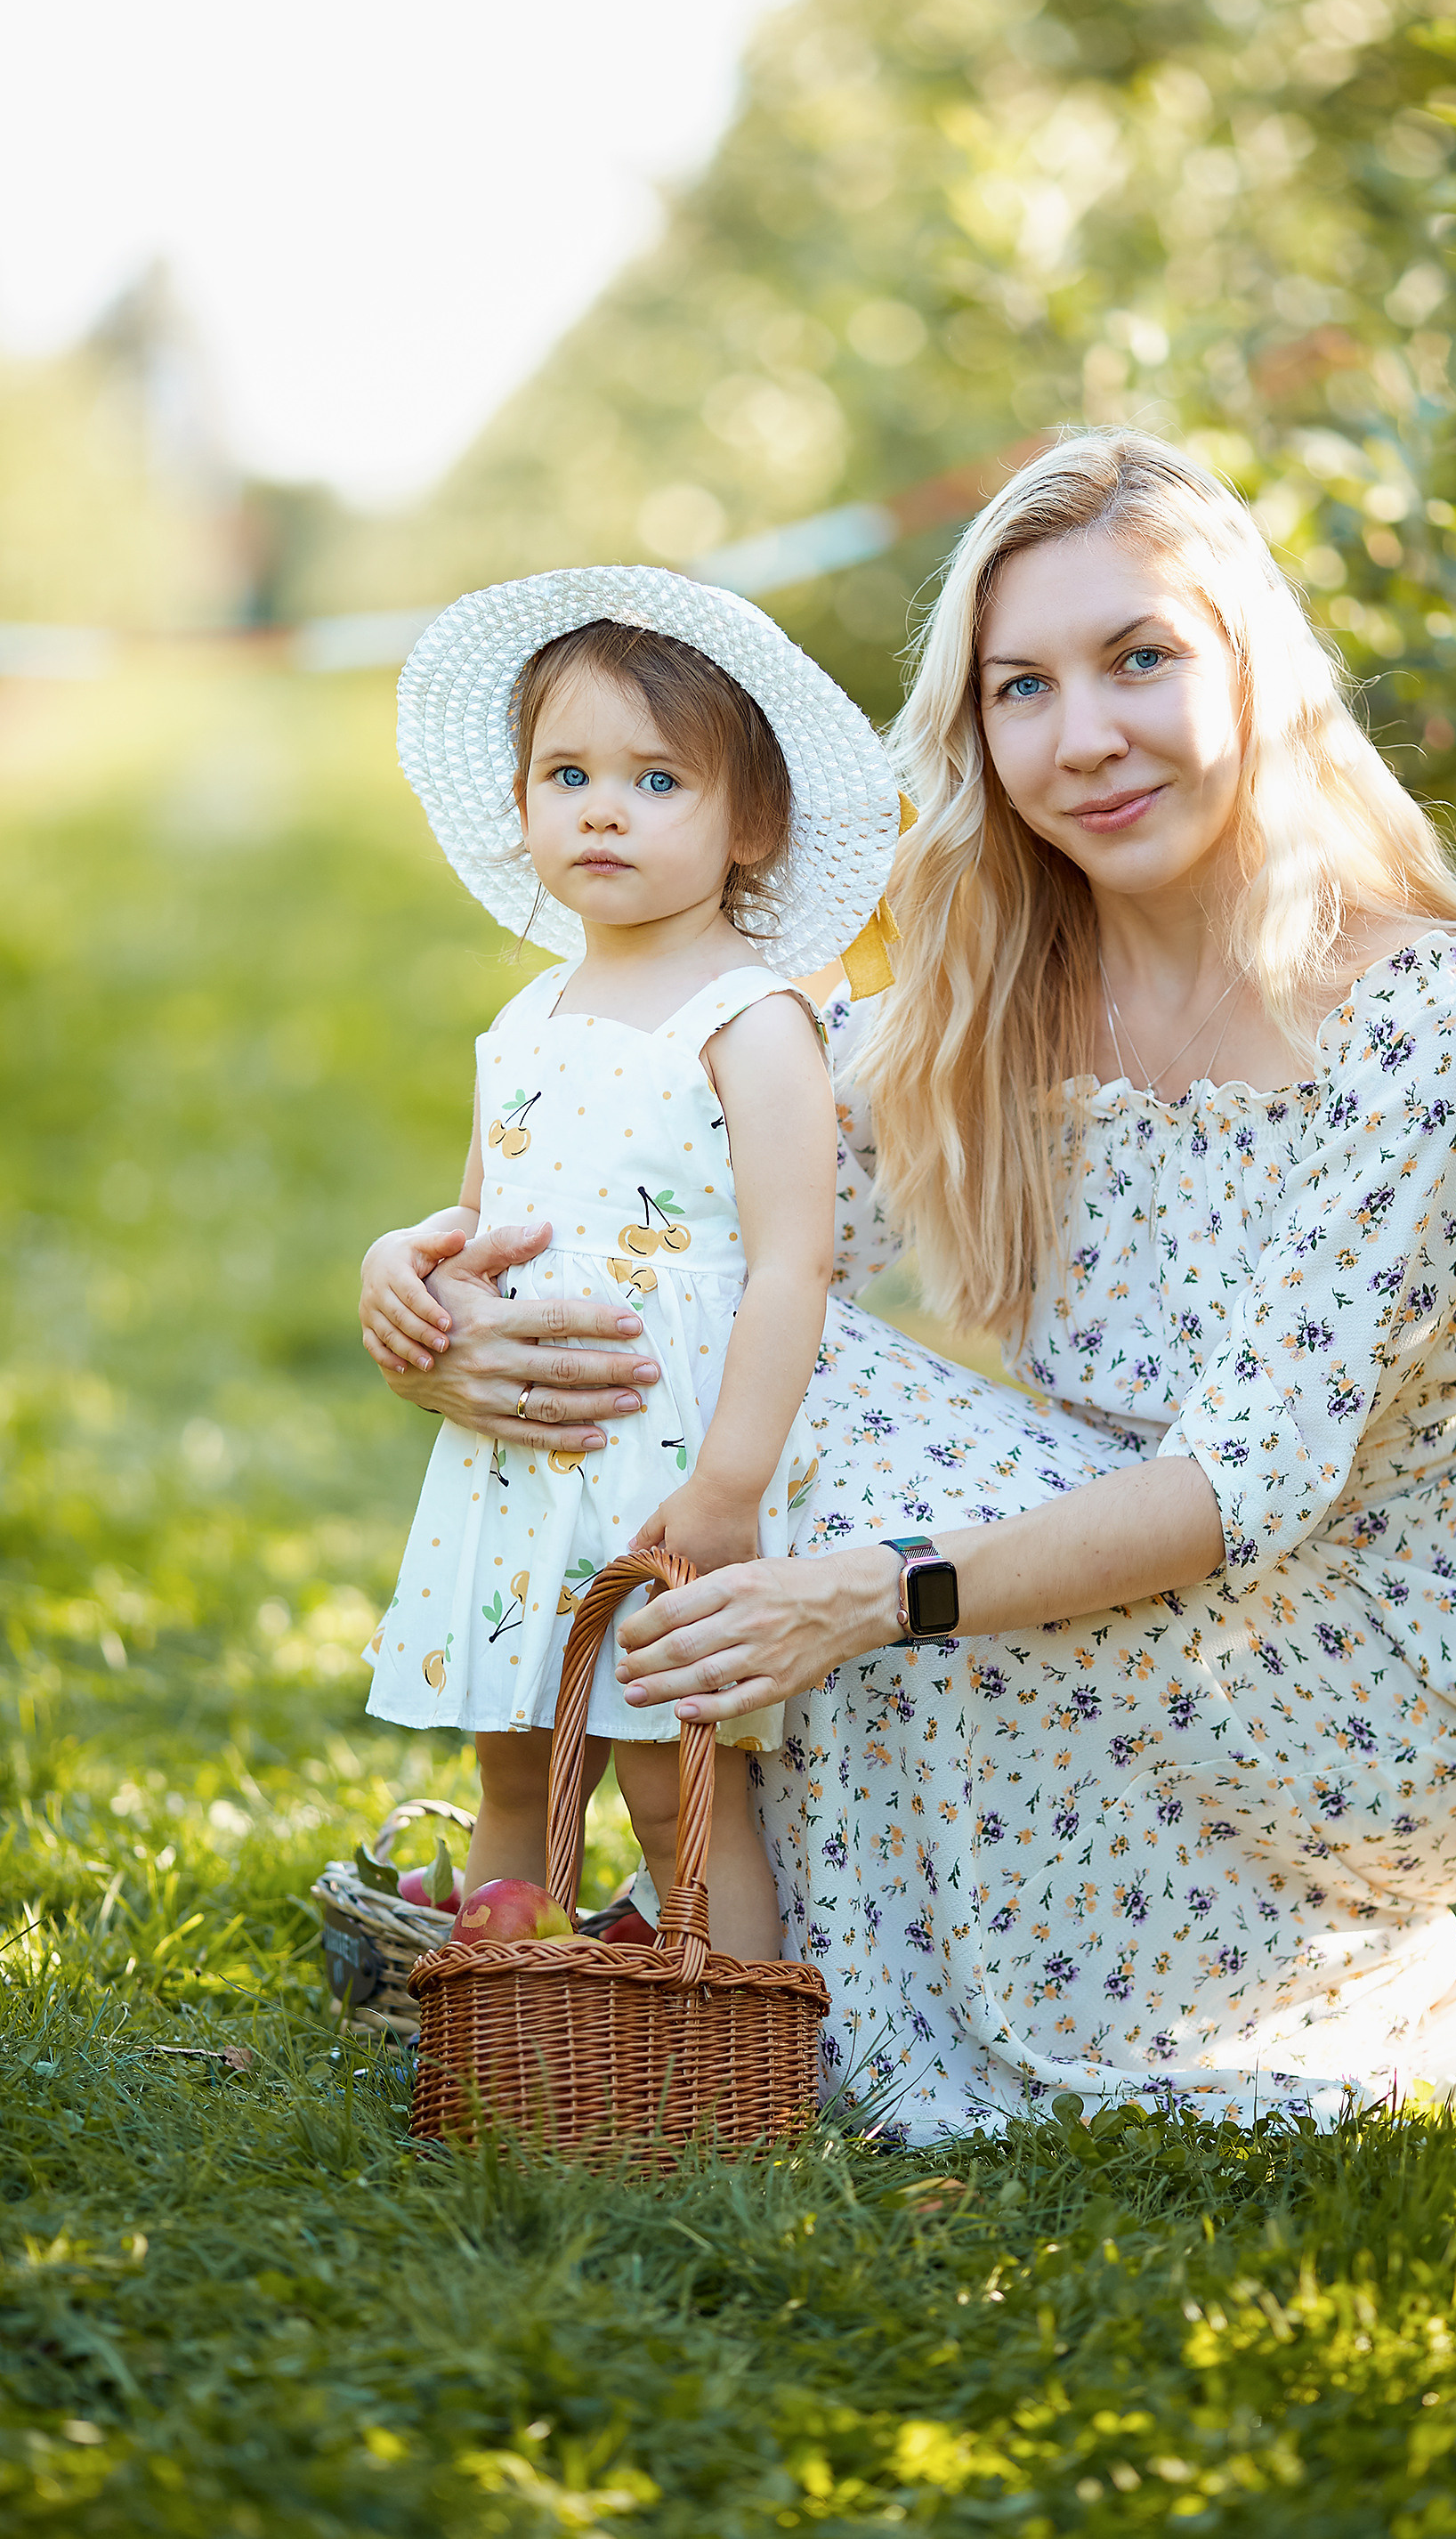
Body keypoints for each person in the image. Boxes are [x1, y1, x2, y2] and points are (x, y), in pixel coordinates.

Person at [372, 435, 1456, 2132]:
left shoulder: (1419, 1013)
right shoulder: (1001, 987)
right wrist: (439, 1303)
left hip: (1365, 1661)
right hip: (1108, 1547)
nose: (1083, 732)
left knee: (827, 1449)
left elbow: (1253, 1481)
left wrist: (878, 1589)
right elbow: (679, 1219)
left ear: (1254, 665)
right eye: (1024, 685)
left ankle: (836, 1972)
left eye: (1140, 658)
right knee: (753, 1379)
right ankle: (705, 1956)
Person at [357, 567, 902, 1963]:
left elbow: (793, 1265)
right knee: (517, 1764)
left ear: (751, 822)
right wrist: (421, 1282)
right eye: (569, 772)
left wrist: (728, 1484)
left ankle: (725, 2032)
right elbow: (482, 1229)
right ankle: (502, 2016)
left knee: (679, 1779)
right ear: (525, 800)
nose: (604, 806)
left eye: (659, 779)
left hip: (672, 1456)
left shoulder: (752, 1018)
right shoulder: (528, 1013)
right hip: (529, 1466)